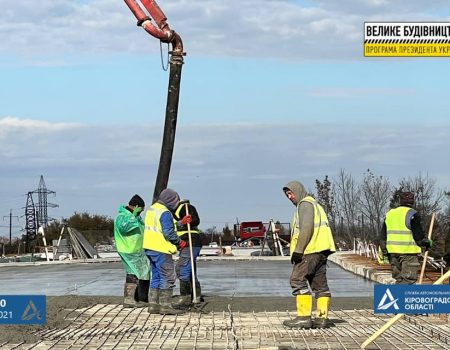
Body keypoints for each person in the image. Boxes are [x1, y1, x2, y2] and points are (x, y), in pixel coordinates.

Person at [282, 181, 336, 329]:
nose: (289, 197)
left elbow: (306, 229)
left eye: (291, 193)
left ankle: (304, 318)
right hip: (321, 250)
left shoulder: (305, 205)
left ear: (298, 191)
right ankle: (321, 319)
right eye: (287, 195)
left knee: (297, 280)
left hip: (310, 250)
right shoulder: (314, 204)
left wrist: (298, 250)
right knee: (320, 285)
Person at [143, 188, 192, 315]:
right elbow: (168, 232)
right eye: (176, 201)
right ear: (171, 200)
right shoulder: (165, 212)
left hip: (149, 247)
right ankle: (165, 306)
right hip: (161, 248)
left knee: (156, 276)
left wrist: (181, 222)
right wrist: (179, 242)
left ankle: (153, 305)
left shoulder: (152, 209)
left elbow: (160, 226)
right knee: (167, 276)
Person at [380, 191, 432, 284]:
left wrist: (385, 252)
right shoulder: (412, 214)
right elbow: (418, 235)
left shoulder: (390, 214)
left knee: (399, 280)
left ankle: (397, 297)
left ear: (400, 201)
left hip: (393, 253)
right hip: (409, 253)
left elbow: (383, 236)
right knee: (408, 280)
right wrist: (426, 243)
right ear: (412, 202)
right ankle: (402, 298)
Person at [114, 194, 150, 308]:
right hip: (129, 249)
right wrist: (133, 216)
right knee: (140, 273)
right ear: (136, 207)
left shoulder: (136, 218)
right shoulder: (122, 216)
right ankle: (136, 299)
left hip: (137, 250)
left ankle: (134, 299)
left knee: (136, 273)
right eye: (140, 210)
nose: (141, 212)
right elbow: (124, 228)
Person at [172, 199, 203, 308]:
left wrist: (186, 221)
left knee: (182, 268)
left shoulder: (185, 207)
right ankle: (196, 294)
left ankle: (185, 297)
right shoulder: (175, 210)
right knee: (190, 269)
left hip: (189, 241)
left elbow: (195, 220)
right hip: (189, 242)